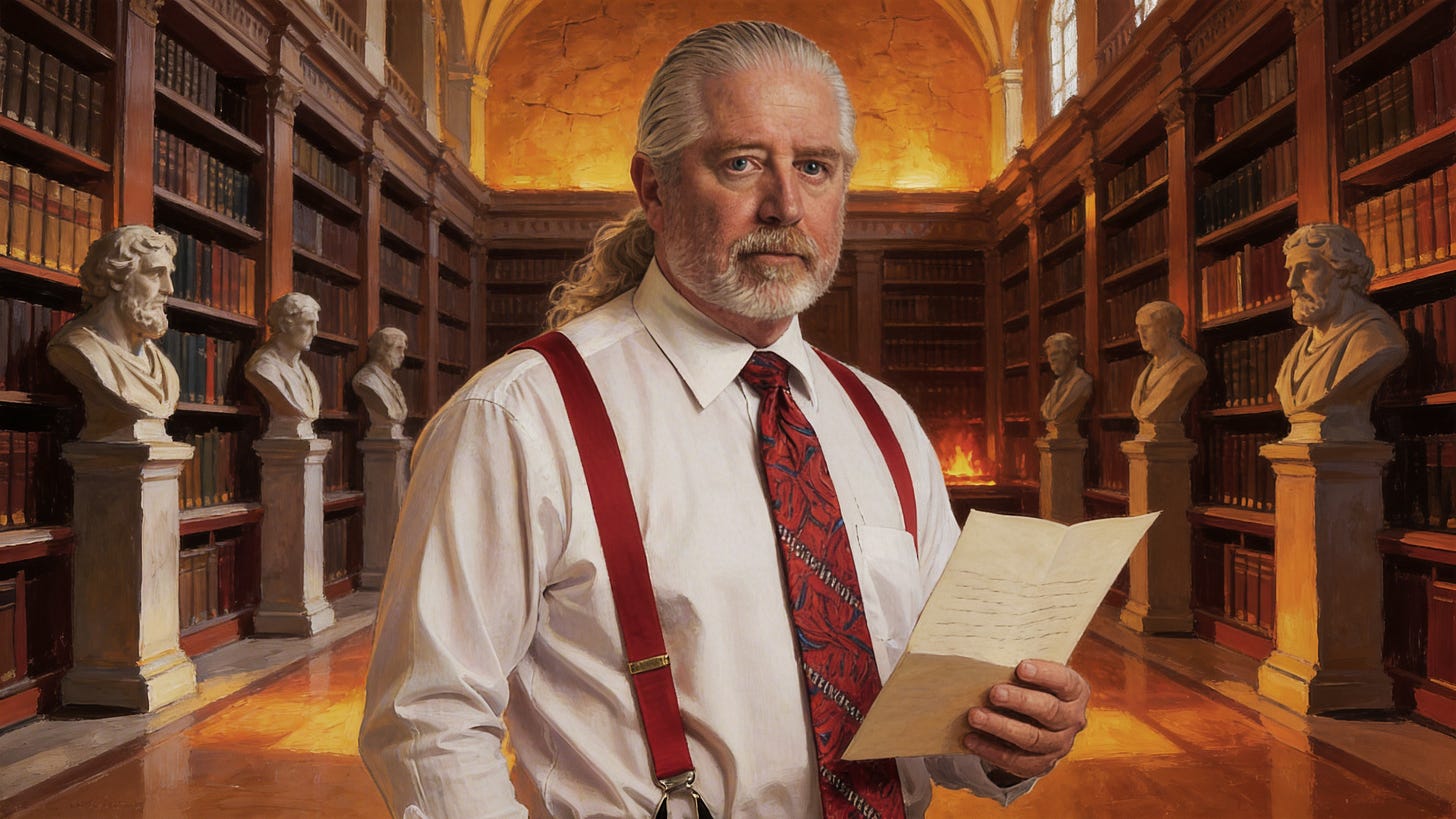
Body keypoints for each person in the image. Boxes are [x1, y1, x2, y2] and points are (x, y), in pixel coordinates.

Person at [360, 21, 1088, 818]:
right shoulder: (521, 416)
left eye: (815, 167)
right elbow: (425, 720)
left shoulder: (884, 423)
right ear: (654, 187)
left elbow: (945, 719)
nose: (784, 204)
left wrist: (1016, 738)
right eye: (741, 162)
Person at [47, 225, 181, 443]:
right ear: (117, 277)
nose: (169, 288)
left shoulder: (163, 369)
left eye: (168, 275)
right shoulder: (77, 349)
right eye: (156, 273)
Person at [1274, 223, 1406, 443]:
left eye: (1307, 268)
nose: (1292, 283)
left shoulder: (1379, 340)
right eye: (1290, 270)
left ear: (1344, 272)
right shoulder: (1301, 348)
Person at [245, 293, 323, 439]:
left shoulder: (305, 371)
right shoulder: (262, 367)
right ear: (284, 324)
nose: (315, 332)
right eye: (308, 323)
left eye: (315, 324)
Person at [1130, 300, 1206, 440]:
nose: (1141, 334)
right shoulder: (1146, 372)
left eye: (1147, 327)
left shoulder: (1190, 368)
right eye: (1139, 328)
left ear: (1169, 329)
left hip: (1166, 441)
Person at [353, 327, 410, 438]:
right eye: (398, 349)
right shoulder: (366, 379)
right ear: (382, 350)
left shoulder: (393, 383)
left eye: (404, 350)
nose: (402, 355)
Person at [1038, 332, 1092, 439]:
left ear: (1070, 353)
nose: (1051, 360)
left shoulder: (1083, 382)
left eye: (1055, 354)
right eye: (1049, 356)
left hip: (1068, 439)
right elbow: (1046, 413)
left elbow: (1057, 413)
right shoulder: (1057, 385)